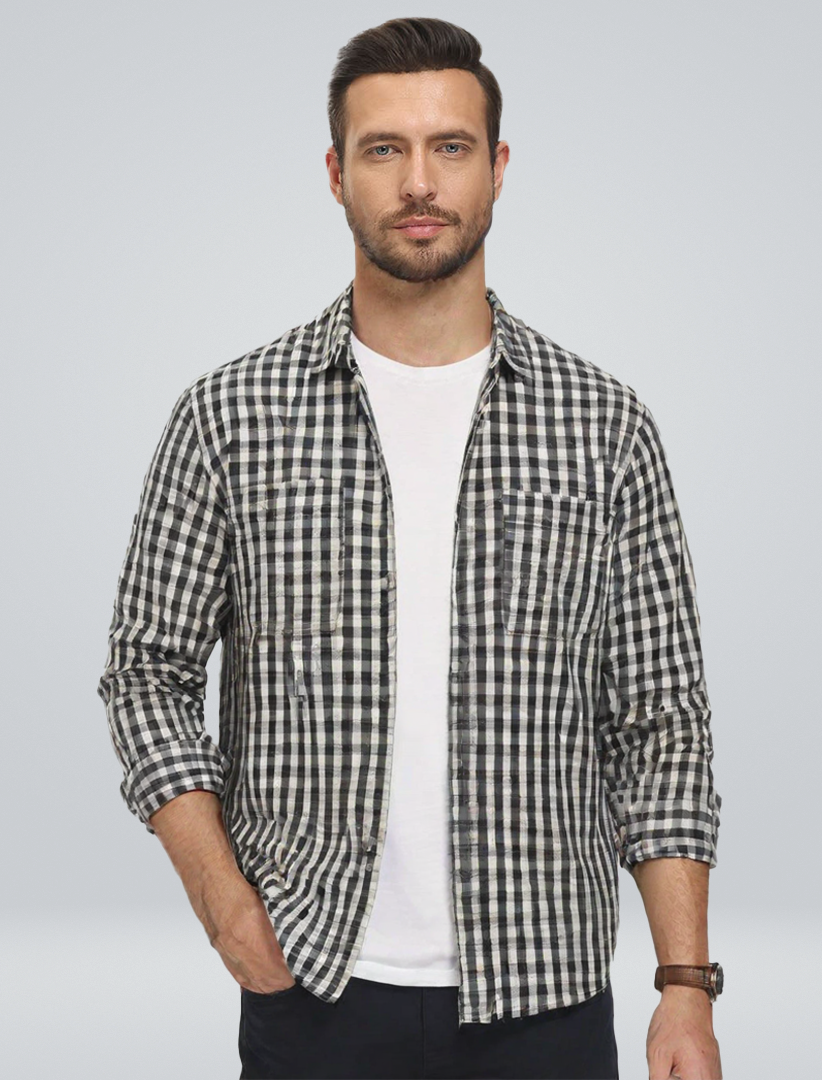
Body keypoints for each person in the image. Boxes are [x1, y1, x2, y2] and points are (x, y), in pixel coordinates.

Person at [98, 16, 724, 1080]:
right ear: (336, 173)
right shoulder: (230, 418)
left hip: (547, 993)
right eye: (384, 148)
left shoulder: (604, 427)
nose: (419, 182)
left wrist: (684, 986)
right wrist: (222, 901)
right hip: (311, 985)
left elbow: (660, 719)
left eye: (451, 147)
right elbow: (146, 672)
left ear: (498, 168)